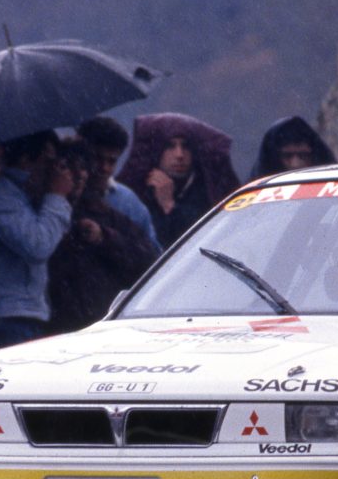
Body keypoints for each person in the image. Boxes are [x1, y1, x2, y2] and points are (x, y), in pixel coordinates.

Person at [45, 140, 159, 335]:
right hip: (56, 325)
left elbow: (149, 259)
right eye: (68, 167)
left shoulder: (105, 213)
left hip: (100, 323)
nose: (78, 175)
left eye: (82, 167)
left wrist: (104, 237)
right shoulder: (43, 211)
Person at [0, 130, 73, 349]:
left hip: (24, 313)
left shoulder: (25, 194)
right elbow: (38, 246)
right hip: (6, 316)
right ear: (25, 161)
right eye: (46, 161)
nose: (52, 171)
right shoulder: (2, 195)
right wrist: (57, 196)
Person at [116, 113, 241, 248]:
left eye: (186, 146)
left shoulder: (212, 192)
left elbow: (206, 241)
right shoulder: (133, 194)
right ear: (156, 150)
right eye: (170, 146)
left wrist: (169, 206)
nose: (179, 155)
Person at [77, 117, 160, 250]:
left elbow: (153, 253)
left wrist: (105, 238)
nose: (104, 168)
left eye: (111, 161)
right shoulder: (62, 196)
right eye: (97, 158)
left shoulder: (129, 202)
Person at [249, 116, 336, 181]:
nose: (296, 164)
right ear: (274, 158)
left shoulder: (332, 186)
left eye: (303, 156)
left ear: (314, 155)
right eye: (287, 156)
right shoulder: (255, 194)